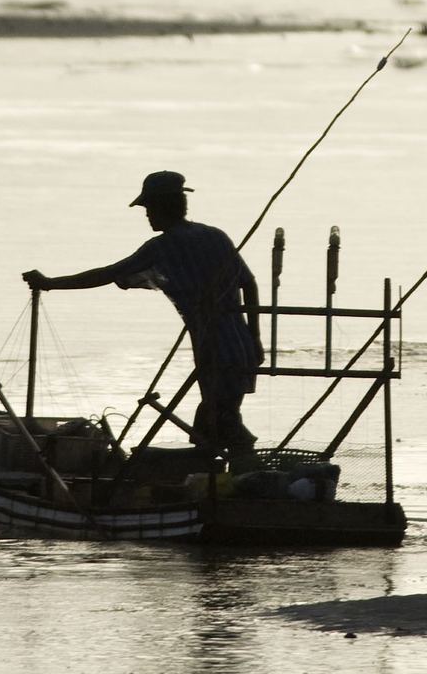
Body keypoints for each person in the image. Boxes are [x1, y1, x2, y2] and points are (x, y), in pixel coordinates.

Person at [23, 171, 263, 460]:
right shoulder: (215, 236)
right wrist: (255, 338)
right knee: (212, 419)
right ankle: (207, 478)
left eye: (149, 209)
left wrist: (50, 283)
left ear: (164, 208)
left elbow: (108, 274)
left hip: (214, 348)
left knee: (223, 420)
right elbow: (248, 283)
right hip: (239, 344)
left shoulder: (162, 247)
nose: (147, 216)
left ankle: (246, 466)